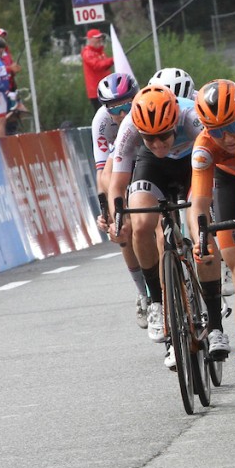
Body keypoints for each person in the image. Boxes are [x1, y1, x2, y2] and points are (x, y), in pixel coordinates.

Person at [106, 85, 231, 370]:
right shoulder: (130, 128)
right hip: (151, 168)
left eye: (164, 135)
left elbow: (220, 161)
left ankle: (214, 325)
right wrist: (117, 219)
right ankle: (157, 303)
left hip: (194, 160)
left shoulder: (191, 116)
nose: (160, 144)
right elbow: (117, 183)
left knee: (201, 228)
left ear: (175, 122)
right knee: (140, 223)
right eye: (150, 138)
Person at [188, 79, 235, 408]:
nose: (227, 138)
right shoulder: (205, 146)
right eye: (216, 131)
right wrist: (201, 238)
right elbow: (199, 204)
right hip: (230, 181)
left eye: (231, 126)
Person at [91, 72, 149, 329]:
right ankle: (143, 293)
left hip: (151, 158)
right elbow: (102, 173)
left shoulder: (149, 104)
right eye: (116, 109)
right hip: (122, 165)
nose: (124, 114)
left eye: (128, 104)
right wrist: (107, 211)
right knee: (123, 230)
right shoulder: (102, 123)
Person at [82, 29, 114, 112]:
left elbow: (104, 66)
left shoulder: (101, 52)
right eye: (96, 37)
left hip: (105, 88)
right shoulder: (88, 53)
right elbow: (97, 65)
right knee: (103, 114)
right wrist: (112, 60)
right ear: (89, 40)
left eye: (100, 37)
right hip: (96, 92)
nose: (99, 39)